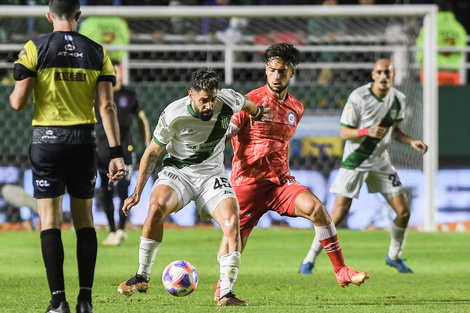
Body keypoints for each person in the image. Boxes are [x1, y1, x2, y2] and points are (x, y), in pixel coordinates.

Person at [211, 42, 370, 300]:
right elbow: (225, 133)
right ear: (266, 70)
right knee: (235, 237)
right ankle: (223, 290)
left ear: (292, 73)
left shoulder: (296, 108)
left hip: (279, 184)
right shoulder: (249, 102)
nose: (276, 76)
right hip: (247, 183)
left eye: (282, 71)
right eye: (272, 70)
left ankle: (341, 270)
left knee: (318, 210)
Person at [9, 1, 125, 312]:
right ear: (78, 16)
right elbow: (107, 107)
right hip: (84, 142)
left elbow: (18, 103)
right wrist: (115, 153)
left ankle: (58, 302)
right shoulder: (97, 51)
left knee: (50, 221)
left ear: (49, 16)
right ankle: (85, 301)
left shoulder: (35, 48)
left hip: (47, 142)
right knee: (84, 221)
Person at [117, 68, 264, 306]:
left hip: (212, 174)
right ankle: (142, 276)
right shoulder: (173, 114)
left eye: (212, 99)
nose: (209, 105)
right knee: (155, 207)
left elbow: (247, 104)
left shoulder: (228, 100)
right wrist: (137, 193)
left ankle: (226, 292)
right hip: (179, 172)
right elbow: (152, 152)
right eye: (203, 100)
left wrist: (258, 112)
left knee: (231, 220)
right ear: (191, 95)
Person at [300, 58, 428, 274]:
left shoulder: (398, 99)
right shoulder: (359, 97)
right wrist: (365, 131)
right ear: (373, 75)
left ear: (394, 75)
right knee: (338, 214)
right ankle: (310, 258)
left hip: (381, 161)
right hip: (356, 160)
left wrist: (411, 141)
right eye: (380, 72)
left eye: (388, 72)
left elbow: (394, 131)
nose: (384, 76)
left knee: (404, 211)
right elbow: (343, 132)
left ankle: (394, 256)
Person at [97, 59, 151, 246]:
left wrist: (146, 143)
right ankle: (112, 230)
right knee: (105, 190)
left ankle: (121, 229)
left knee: (124, 189)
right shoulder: (98, 95)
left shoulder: (129, 94)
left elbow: (141, 119)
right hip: (102, 150)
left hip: (126, 149)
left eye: (117, 70)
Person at [415, 0, 467, 85]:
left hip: (432, 73)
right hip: (453, 75)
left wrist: (422, 62)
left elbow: (420, 51)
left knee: (431, 98)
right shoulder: (459, 29)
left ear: (437, 9)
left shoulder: (429, 26)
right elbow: (462, 46)